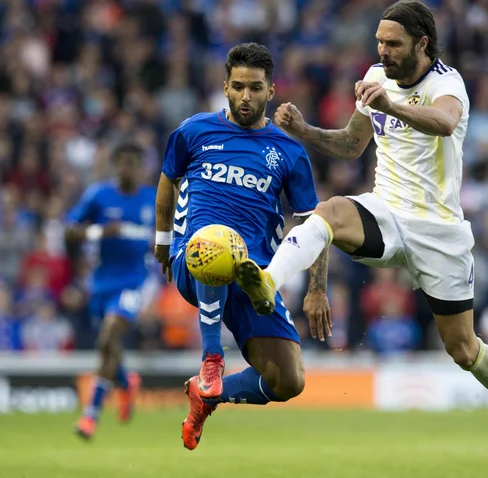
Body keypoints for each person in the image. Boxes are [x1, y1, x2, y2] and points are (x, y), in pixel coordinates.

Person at [236, 0, 488, 467]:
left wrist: (391, 103)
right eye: (379, 42)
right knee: (330, 211)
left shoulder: (446, 83)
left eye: (393, 43)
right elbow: (352, 145)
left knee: (463, 348)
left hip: (439, 233)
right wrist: (304, 130)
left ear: (422, 43)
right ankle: (269, 282)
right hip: (387, 213)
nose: (383, 51)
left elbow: (445, 122)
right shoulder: (375, 78)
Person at [153, 42, 330, 451]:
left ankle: (207, 395)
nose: (245, 96)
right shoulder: (194, 130)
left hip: (255, 276)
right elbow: (167, 180)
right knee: (218, 244)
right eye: (237, 87)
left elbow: (313, 223)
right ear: (225, 87)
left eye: (255, 88)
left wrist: (318, 288)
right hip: (193, 257)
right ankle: (212, 358)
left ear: (271, 91)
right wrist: (163, 240)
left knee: (289, 380)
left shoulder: (288, 151)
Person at [68, 142, 155, 439]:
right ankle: (126, 381)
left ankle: (90, 416)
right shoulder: (99, 196)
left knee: (109, 336)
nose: (128, 168)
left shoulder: (152, 199)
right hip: (101, 282)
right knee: (107, 346)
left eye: (134, 163)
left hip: (134, 281)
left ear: (141, 167)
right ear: (115, 165)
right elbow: (70, 231)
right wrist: (99, 231)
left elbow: (167, 237)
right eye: (123, 163)